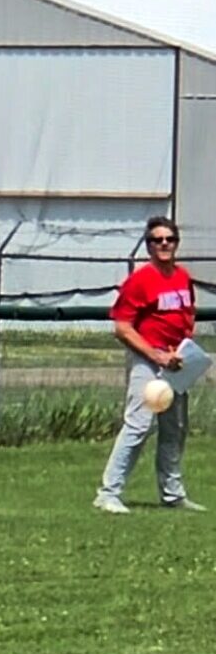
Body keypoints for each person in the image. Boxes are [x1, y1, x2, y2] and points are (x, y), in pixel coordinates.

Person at [93, 216, 204, 516]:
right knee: (138, 426)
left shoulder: (182, 277)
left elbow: (187, 316)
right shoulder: (140, 280)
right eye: (157, 240)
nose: (164, 244)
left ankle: (172, 494)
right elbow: (123, 327)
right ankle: (108, 493)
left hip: (175, 362)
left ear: (176, 243)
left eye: (169, 239)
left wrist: (181, 351)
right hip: (149, 362)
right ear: (149, 245)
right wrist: (155, 356)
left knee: (175, 429)